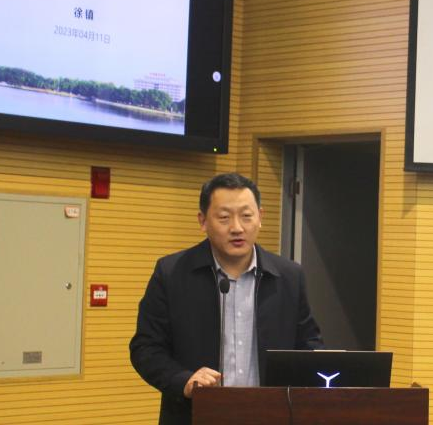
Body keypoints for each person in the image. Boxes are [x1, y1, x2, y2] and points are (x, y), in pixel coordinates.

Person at [130, 172, 323, 425]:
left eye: (246, 216)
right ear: (202, 221)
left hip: (270, 415)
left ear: (260, 217)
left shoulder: (289, 276)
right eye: (224, 217)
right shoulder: (172, 273)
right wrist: (183, 380)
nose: (237, 228)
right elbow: (146, 348)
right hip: (195, 415)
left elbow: (309, 346)